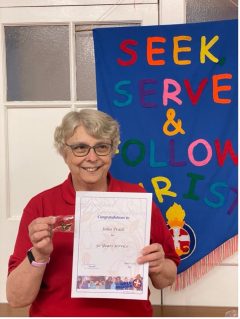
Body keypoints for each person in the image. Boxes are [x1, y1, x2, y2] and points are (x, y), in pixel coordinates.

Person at [6, 109, 180, 317]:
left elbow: (165, 279)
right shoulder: (41, 206)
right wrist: (40, 254)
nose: (92, 157)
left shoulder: (137, 200)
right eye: (80, 148)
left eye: (102, 147)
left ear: (112, 151)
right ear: (65, 153)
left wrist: (159, 265)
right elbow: (17, 299)